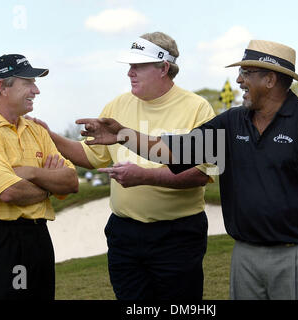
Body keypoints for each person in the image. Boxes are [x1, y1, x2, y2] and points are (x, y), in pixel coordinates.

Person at [76, 40, 298, 300]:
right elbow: (173, 151)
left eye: (247, 73)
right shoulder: (231, 123)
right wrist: (123, 134)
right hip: (245, 255)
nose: (239, 80)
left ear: (270, 79)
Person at [29, 32, 216, 300]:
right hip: (124, 233)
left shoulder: (199, 108)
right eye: (129, 66)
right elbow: (91, 156)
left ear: (164, 68)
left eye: (138, 66)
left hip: (178, 235)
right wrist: (50, 136)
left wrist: (145, 177)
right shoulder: (117, 105)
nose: (130, 73)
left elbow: (200, 174)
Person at [0, 54, 79, 300]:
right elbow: (9, 192)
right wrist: (48, 184)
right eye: (28, 82)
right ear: (3, 86)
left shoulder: (36, 130)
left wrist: (34, 173)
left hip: (38, 237)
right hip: (1, 240)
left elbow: (71, 182)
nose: (36, 90)